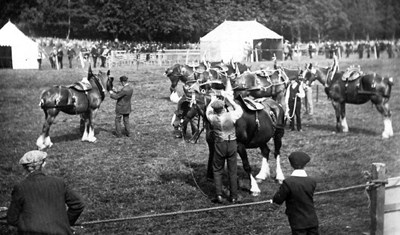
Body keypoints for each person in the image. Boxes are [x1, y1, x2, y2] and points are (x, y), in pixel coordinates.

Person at [7, 150, 85, 234]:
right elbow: (78, 204)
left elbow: (12, 219)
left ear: (24, 168)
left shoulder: (20, 187)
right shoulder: (58, 183)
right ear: (43, 164)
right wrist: (66, 223)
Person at [206, 91, 243, 203]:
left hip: (219, 144)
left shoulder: (212, 118)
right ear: (223, 108)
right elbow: (239, 109)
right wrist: (229, 99)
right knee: (232, 171)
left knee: (217, 170)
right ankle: (233, 196)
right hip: (231, 143)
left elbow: (207, 111)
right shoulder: (231, 115)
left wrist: (212, 100)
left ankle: (219, 196)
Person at [273, 151, 319, 234]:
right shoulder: (312, 181)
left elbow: (278, 199)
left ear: (291, 165)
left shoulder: (288, 182)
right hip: (312, 220)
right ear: (305, 164)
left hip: (298, 221)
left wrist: (273, 199)